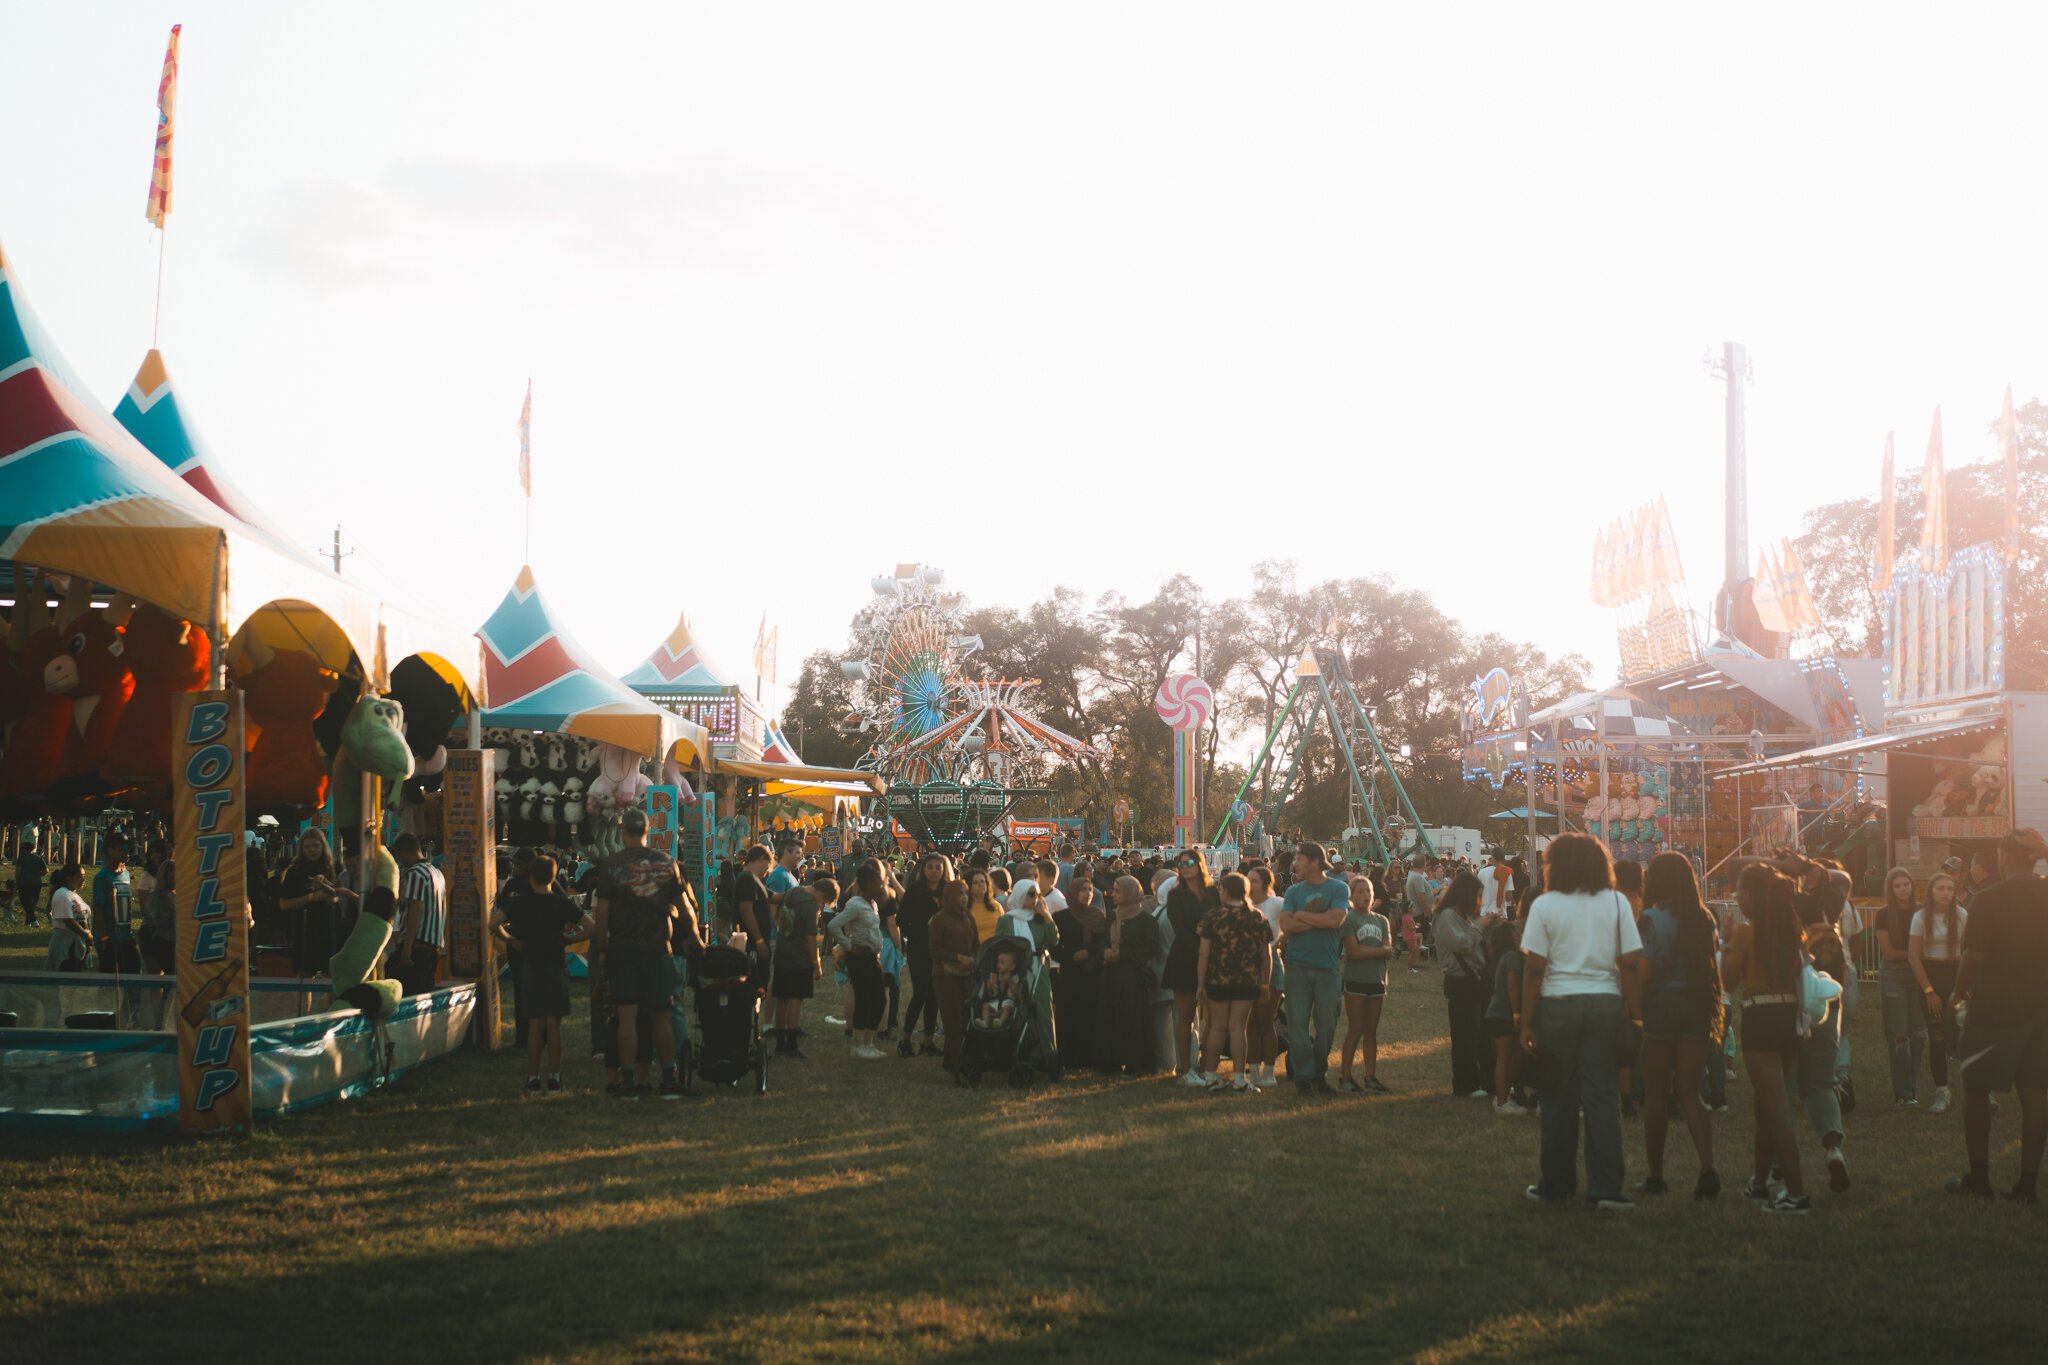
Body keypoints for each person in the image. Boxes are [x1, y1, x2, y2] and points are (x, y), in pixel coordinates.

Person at [1518, 833, 1643, 1211]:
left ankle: (1556, 1185)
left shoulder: (1545, 905)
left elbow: (1534, 967)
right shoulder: (1618, 903)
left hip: (1558, 1004)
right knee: (1602, 1097)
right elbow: (1630, 963)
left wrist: (1525, 1022)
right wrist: (1635, 1016)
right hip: (1606, 1003)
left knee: (1558, 1097)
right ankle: (1607, 1188)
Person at [1945, 828, 2048, 1202]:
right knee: (2035, 1092)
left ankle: (1979, 1179)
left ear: (2004, 857)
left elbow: (1974, 956)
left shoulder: (1990, 899)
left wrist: (1956, 995)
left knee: (1976, 1089)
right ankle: (2027, 1184)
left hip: (1994, 1007)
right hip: (2042, 1007)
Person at [1722, 864, 1811, 1213]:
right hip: (1789, 1017)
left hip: (1759, 1017)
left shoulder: (1745, 933)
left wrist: (1727, 942)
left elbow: (1728, 982)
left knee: (1775, 1111)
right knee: (1766, 1105)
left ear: (1748, 896)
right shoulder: (1793, 931)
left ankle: (1796, 1192)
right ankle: (1759, 1183)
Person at [1634, 852, 1722, 1198]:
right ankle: (1707, 1168)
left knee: (1656, 1094)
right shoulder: (1704, 918)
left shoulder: (1651, 919)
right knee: (1691, 1093)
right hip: (1697, 1007)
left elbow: (1644, 971)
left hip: (1660, 1007)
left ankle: (1656, 1176)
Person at [592, 808, 696, 1098]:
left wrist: (602, 948)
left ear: (623, 831)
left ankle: (627, 1081)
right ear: (648, 830)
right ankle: (668, 1076)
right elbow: (685, 906)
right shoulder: (666, 862)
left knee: (626, 1016)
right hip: (656, 948)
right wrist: (697, 938)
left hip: (622, 949)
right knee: (661, 1015)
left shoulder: (612, 864)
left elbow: (602, 914)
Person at [491, 853, 592, 1094]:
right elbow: (592, 927)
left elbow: (493, 924)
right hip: (556, 964)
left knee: (535, 1025)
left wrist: (511, 940)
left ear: (531, 876)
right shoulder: (561, 902)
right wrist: (570, 939)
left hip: (531, 964)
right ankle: (555, 1078)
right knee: (553, 1027)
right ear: (554, 876)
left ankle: (534, 1078)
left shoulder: (520, 903)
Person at [1277, 842, 1349, 1096]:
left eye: (1299, 858)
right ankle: (1305, 1077)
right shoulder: (1293, 892)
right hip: (1297, 967)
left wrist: (1302, 917)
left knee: (1327, 1024)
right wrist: (1319, 919)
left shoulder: (1338, 888)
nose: (1294, 863)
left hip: (1327, 967)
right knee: (1297, 1025)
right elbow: (1286, 925)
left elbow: (1335, 920)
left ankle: (1319, 1071)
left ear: (1315, 861)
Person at [1194, 870, 1271, 1091]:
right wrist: (1265, 983)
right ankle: (1239, 1079)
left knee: (1217, 1027)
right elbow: (1266, 956)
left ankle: (1209, 1076)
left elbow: (1204, 954)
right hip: (1247, 980)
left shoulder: (1214, 916)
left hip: (1218, 979)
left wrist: (1200, 984)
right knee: (1238, 1028)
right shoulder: (1257, 917)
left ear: (1225, 891)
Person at [1909, 868, 1968, 1115]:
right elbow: (1913, 955)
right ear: (1931, 891)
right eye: (1940, 888)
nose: (1946, 893)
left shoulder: (1962, 914)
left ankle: (1980, 1092)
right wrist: (1929, 991)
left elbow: (1969, 953)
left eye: (1950, 889)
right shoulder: (1921, 917)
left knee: (1967, 1036)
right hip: (1932, 978)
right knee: (1937, 1038)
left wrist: (1962, 989)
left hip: (1957, 976)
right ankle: (1942, 1092)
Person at [1162, 849, 1220, 1084]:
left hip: (1213, 958)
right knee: (1185, 1016)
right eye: (1181, 864)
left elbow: (1219, 919)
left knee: (1214, 1017)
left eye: (1189, 862)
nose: (1185, 867)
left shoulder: (1212, 892)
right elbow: (1180, 928)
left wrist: (1209, 945)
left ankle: (1206, 1066)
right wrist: (1200, 947)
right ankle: (1185, 1070)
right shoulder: (1176, 895)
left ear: (1200, 864)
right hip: (1185, 958)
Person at [1099, 874, 1163, 1076]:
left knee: (1132, 1019)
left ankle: (1135, 1062)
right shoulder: (1112, 915)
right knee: (1112, 1016)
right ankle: (1113, 1060)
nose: (1114, 895)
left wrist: (1122, 954)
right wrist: (1105, 952)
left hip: (1133, 975)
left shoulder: (1145, 919)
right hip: (1111, 974)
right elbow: (1102, 941)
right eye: (1114, 890)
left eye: (1118, 891)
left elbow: (1151, 948)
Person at [1433, 871, 1489, 1098]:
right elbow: (1462, 944)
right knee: (1464, 1035)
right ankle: (1465, 1084)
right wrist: (1480, 925)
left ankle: (1478, 1079)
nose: (1479, 902)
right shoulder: (1447, 916)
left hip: (1474, 980)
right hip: (1460, 982)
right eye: (1476, 896)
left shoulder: (1464, 917)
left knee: (1477, 1034)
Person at [1338, 873, 1393, 1095]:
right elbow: (1354, 952)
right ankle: (1345, 1077)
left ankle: (1370, 1077)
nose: (1366, 895)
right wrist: (1379, 951)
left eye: (1368, 891)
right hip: (1356, 980)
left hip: (1377, 980)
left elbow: (1388, 950)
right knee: (1356, 1029)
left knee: (1371, 1031)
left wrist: (1376, 952)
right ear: (1351, 896)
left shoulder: (1381, 920)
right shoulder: (1349, 919)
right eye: (1360, 891)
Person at [829, 862, 891, 1059]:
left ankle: (868, 1042)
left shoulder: (872, 904)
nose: (882, 886)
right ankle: (858, 1045)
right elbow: (834, 925)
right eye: (879, 883)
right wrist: (849, 946)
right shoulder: (855, 904)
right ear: (869, 883)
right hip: (859, 957)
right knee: (864, 999)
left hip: (873, 956)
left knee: (879, 1000)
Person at [1875, 867, 1925, 1106]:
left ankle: (1911, 1085)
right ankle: (1903, 1092)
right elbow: (1890, 953)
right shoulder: (1884, 914)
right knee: (1900, 1035)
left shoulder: (1922, 912)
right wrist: (1915, 954)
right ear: (1890, 889)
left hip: (1918, 975)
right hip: (1893, 975)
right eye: (1898, 885)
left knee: (1919, 1034)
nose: (1903, 889)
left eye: (1906, 884)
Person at [1052, 870, 1108, 1070]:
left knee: (1091, 1015)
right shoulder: (1061, 917)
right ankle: (1068, 1057)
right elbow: (1054, 946)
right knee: (1069, 1016)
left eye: (1090, 889)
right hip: (1070, 974)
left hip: (1093, 974)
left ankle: (1090, 1057)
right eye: (1083, 890)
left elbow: (1103, 942)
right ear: (1073, 892)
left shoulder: (1097, 916)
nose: (1087, 893)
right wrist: (1071, 956)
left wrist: (1092, 954)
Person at [894, 852, 949, 1057]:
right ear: (923, 870)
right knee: (921, 993)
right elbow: (901, 918)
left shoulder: (947, 891)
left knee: (935, 995)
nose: (934, 871)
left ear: (943, 870)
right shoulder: (915, 890)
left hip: (940, 950)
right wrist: (914, 933)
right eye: (930, 867)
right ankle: (906, 1039)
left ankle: (928, 1041)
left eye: (938, 867)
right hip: (919, 949)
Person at [770, 875, 830, 1059]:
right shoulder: (810, 905)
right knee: (796, 998)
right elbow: (811, 937)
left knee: (782, 998)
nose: (823, 904)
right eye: (825, 900)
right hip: (799, 957)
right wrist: (816, 963)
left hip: (782, 950)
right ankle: (792, 1044)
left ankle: (780, 1043)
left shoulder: (793, 891)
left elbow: (776, 911)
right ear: (821, 892)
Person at [928, 878, 980, 1073]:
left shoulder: (968, 917)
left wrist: (973, 958)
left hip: (967, 973)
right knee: (952, 1019)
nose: (964, 898)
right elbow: (934, 948)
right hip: (945, 974)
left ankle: (962, 1056)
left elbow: (976, 944)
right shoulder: (939, 919)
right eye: (960, 894)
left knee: (966, 1017)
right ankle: (952, 1059)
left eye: (966, 893)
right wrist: (958, 957)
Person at [276, 830, 343, 977]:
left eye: (315, 845)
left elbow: (342, 894)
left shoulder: (333, 867)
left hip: (330, 931)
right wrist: (311, 897)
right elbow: (284, 904)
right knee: (304, 976)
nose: (312, 850)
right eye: (307, 846)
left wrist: (331, 894)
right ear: (302, 848)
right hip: (305, 932)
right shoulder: (295, 871)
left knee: (331, 976)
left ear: (322, 846)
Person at [1482, 917, 1529, 1115]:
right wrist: (1518, 1014)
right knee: (1504, 1057)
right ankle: (1501, 1102)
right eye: (1519, 932)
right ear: (1511, 937)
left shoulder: (1505, 956)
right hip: (1503, 1013)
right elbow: (1512, 987)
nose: (1523, 934)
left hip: (1499, 1012)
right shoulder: (1512, 957)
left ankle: (1504, 1094)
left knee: (1516, 1055)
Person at [391, 833, 447, 996]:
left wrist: (407, 948)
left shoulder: (415, 873)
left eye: (400, 855)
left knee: (400, 996)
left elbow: (415, 909)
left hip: (417, 948)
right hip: (433, 948)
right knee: (422, 1000)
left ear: (403, 852)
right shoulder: (436, 873)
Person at [1247, 864, 1286, 1087]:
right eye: (1248, 880)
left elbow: (1291, 922)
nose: (1250, 884)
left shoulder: (1277, 903)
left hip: (1271, 961)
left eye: (1254, 880)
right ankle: (1253, 1070)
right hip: (1246, 964)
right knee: (1249, 1022)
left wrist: (1281, 942)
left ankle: (1269, 1071)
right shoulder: (1245, 905)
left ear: (1265, 882)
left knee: (1265, 1020)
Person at [89, 837, 138, 974]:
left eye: (128, 850)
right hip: (109, 938)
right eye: (122, 849)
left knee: (134, 974)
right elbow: (98, 909)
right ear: (109, 850)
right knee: (109, 979)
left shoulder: (126, 874)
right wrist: (104, 937)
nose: (126, 853)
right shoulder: (102, 877)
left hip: (126, 936)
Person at [43, 863, 91, 969]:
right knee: (65, 977)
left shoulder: (74, 895)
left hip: (77, 943)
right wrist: (86, 935)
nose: (83, 880)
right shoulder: (61, 894)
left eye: (83, 876)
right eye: (79, 876)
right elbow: (68, 920)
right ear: (68, 878)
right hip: (66, 944)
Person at [978, 947, 1024, 1028]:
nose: (998, 965)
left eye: (1002, 963)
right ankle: (985, 1022)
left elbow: (1017, 992)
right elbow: (991, 994)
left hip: (1007, 1003)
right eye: (998, 962)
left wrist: (1009, 981)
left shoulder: (1015, 977)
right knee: (985, 1005)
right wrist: (989, 987)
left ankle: (1000, 1022)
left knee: (1007, 1008)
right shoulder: (995, 977)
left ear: (1012, 967)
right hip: (996, 1002)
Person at [966, 867, 1005, 944]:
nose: (980, 885)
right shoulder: (964, 908)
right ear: (968, 886)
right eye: (975, 883)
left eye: (982, 881)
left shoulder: (996, 906)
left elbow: (1004, 929)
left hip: (994, 950)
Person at [14, 837, 46, 927]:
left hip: (25, 883)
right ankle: (28, 922)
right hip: (37, 883)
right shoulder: (37, 858)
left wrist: (17, 883)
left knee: (25, 902)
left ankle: (34, 921)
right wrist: (38, 875)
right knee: (32, 903)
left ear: (24, 849)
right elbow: (46, 870)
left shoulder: (22, 857)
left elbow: (18, 871)